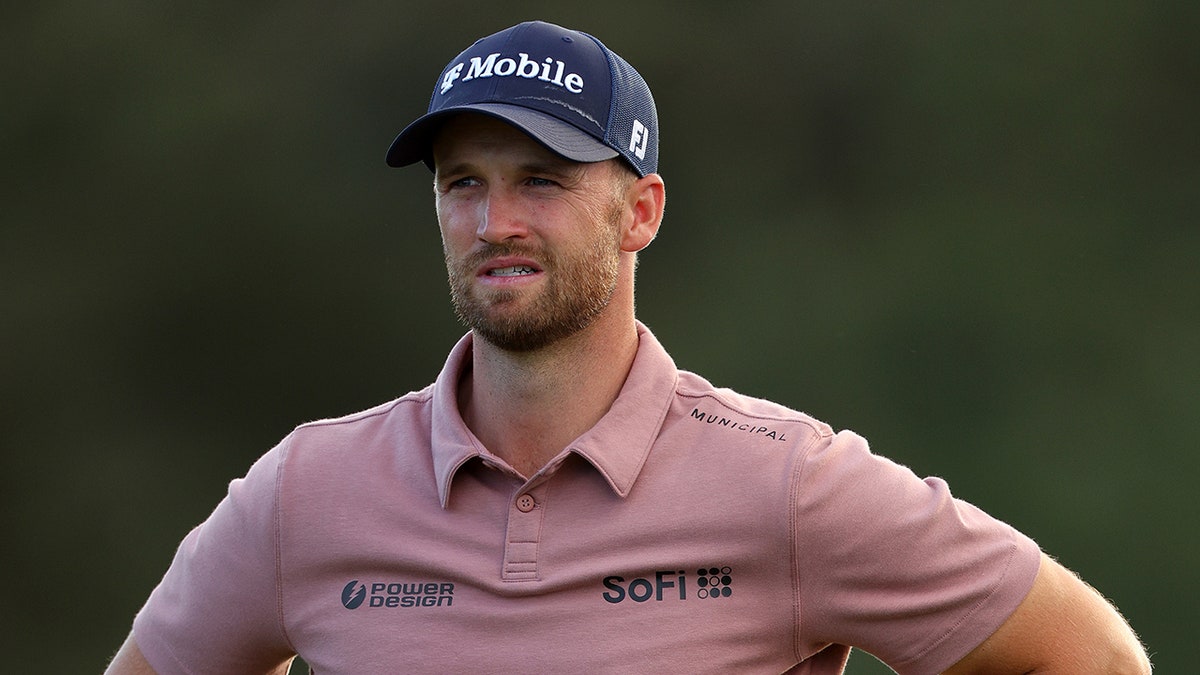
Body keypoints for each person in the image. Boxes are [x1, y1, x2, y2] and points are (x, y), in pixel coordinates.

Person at [107, 20, 1150, 674]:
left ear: (640, 212)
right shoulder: (305, 495)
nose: (493, 219)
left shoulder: (787, 487)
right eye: (462, 182)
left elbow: (1091, 659)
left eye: (543, 181)